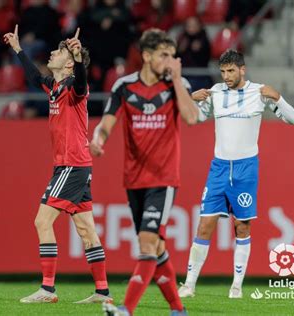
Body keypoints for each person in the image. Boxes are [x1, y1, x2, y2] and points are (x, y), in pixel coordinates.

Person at [3, 25, 112, 304]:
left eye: (58, 51)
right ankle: (102, 292)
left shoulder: (76, 88)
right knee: (87, 230)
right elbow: (35, 75)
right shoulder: (54, 86)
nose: (52, 52)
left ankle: (48, 289)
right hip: (74, 166)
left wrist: (76, 57)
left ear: (68, 63)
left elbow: (82, 82)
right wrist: (18, 49)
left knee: (42, 221)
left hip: (71, 166)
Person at [91, 28, 196, 316]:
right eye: (164, 55)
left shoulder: (177, 83)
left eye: (173, 56)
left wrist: (175, 78)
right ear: (147, 56)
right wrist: (98, 139)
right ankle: (178, 309)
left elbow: (191, 117)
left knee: (147, 241)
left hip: (163, 179)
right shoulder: (124, 87)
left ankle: (126, 309)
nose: (171, 61)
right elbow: (106, 123)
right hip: (134, 179)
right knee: (157, 246)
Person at [178, 49, 294, 299]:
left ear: (242, 69)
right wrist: (191, 99)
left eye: (231, 71)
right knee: (204, 226)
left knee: (242, 228)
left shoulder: (260, 92)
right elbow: (194, 118)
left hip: (246, 169)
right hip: (219, 168)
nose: (226, 76)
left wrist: (279, 98)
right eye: (223, 71)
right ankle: (189, 285)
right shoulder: (216, 92)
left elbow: (293, 120)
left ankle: (236, 287)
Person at [176, 16, 212, 91]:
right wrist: (180, 50)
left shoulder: (203, 39)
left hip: (200, 76)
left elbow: (205, 58)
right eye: (189, 25)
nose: (191, 28)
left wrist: (199, 50)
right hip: (184, 74)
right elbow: (177, 57)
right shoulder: (182, 39)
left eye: (194, 25)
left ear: (200, 26)